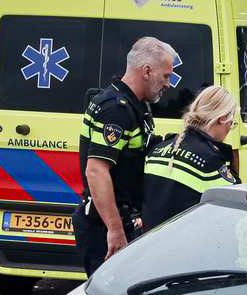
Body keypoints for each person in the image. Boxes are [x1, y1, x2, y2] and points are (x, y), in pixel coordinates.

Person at [72, 36, 176, 275]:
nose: (169, 84)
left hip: (122, 219)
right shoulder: (116, 109)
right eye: (166, 76)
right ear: (147, 71)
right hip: (103, 227)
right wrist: (115, 229)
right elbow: (96, 170)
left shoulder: (134, 106)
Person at [142, 85, 241, 230]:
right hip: (184, 248)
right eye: (232, 123)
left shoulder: (158, 150)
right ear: (223, 118)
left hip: (150, 245)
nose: (229, 129)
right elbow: (231, 215)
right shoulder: (211, 163)